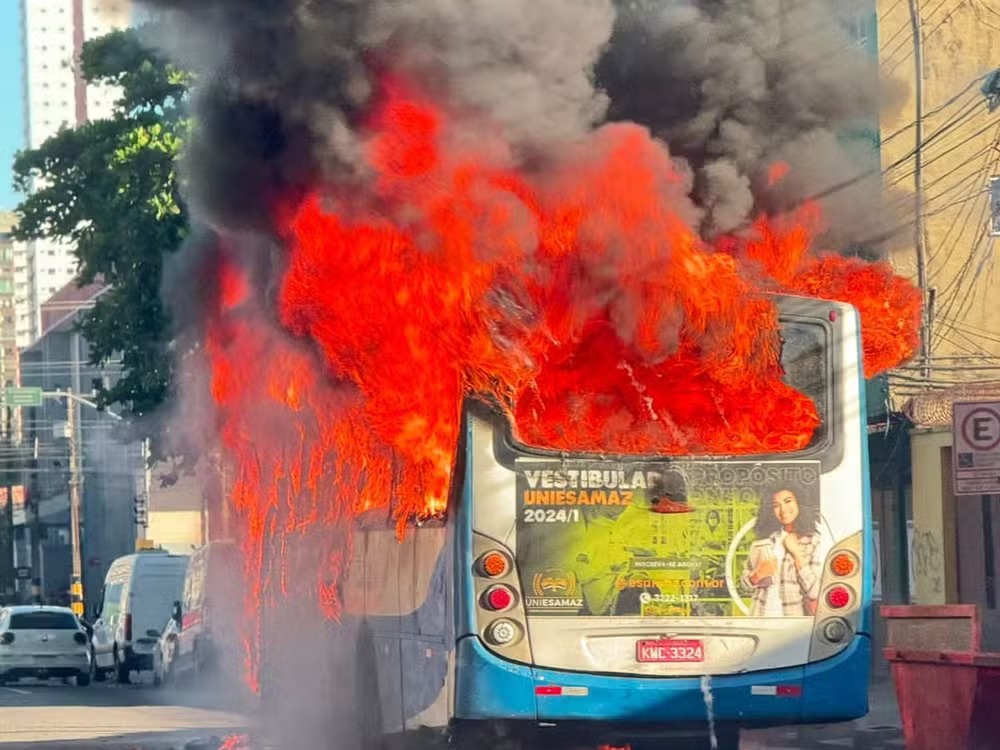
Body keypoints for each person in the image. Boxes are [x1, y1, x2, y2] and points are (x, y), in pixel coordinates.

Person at [740, 482, 825, 616]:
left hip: (791, 621)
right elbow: (744, 585)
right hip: (759, 616)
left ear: (799, 503)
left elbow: (815, 591)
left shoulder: (813, 541)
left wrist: (797, 553)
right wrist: (757, 575)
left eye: (787, 501)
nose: (783, 509)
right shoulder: (765, 541)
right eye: (776, 505)